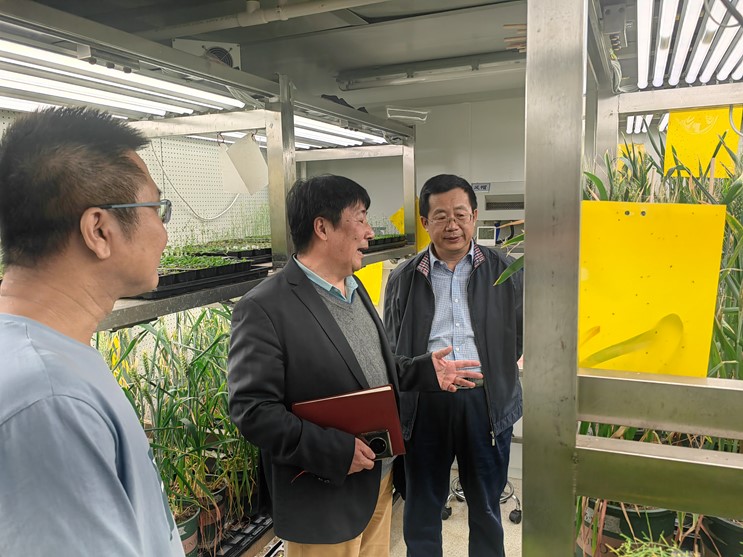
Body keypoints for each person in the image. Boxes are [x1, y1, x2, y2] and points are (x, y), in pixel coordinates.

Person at [227, 174, 482, 557]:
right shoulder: (265, 307)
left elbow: (371, 367)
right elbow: (252, 411)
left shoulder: (354, 288)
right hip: (325, 497)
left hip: (377, 483)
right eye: (360, 219)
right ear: (323, 228)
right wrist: (334, 451)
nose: (369, 232)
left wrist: (424, 371)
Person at [0, 107, 182, 556]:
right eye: (156, 209)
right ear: (98, 230)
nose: (163, 233)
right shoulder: (49, 398)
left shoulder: (47, 361)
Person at [384, 174, 524, 557]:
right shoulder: (402, 278)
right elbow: (391, 350)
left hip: (485, 404)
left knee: (487, 508)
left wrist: (494, 369)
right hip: (425, 403)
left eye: (461, 215)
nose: (452, 225)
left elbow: (519, 336)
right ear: (424, 222)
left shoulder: (507, 271)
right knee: (421, 510)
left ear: (474, 216)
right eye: (441, 216)